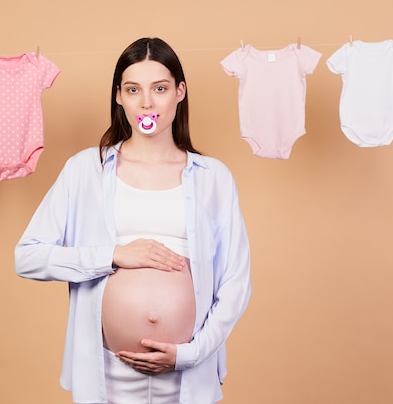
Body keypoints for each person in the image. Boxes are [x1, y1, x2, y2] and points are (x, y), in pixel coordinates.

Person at [14, 37, 252, 404]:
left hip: (188, 371)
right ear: (118, 97)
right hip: (108, 373)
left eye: (160, 88)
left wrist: (190, 352)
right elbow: (27, 257)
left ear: (180, 92)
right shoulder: (85, 170)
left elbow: (236, 282)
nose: (147, 102)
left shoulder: (213, 177)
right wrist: (112, 255)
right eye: (133, 89)